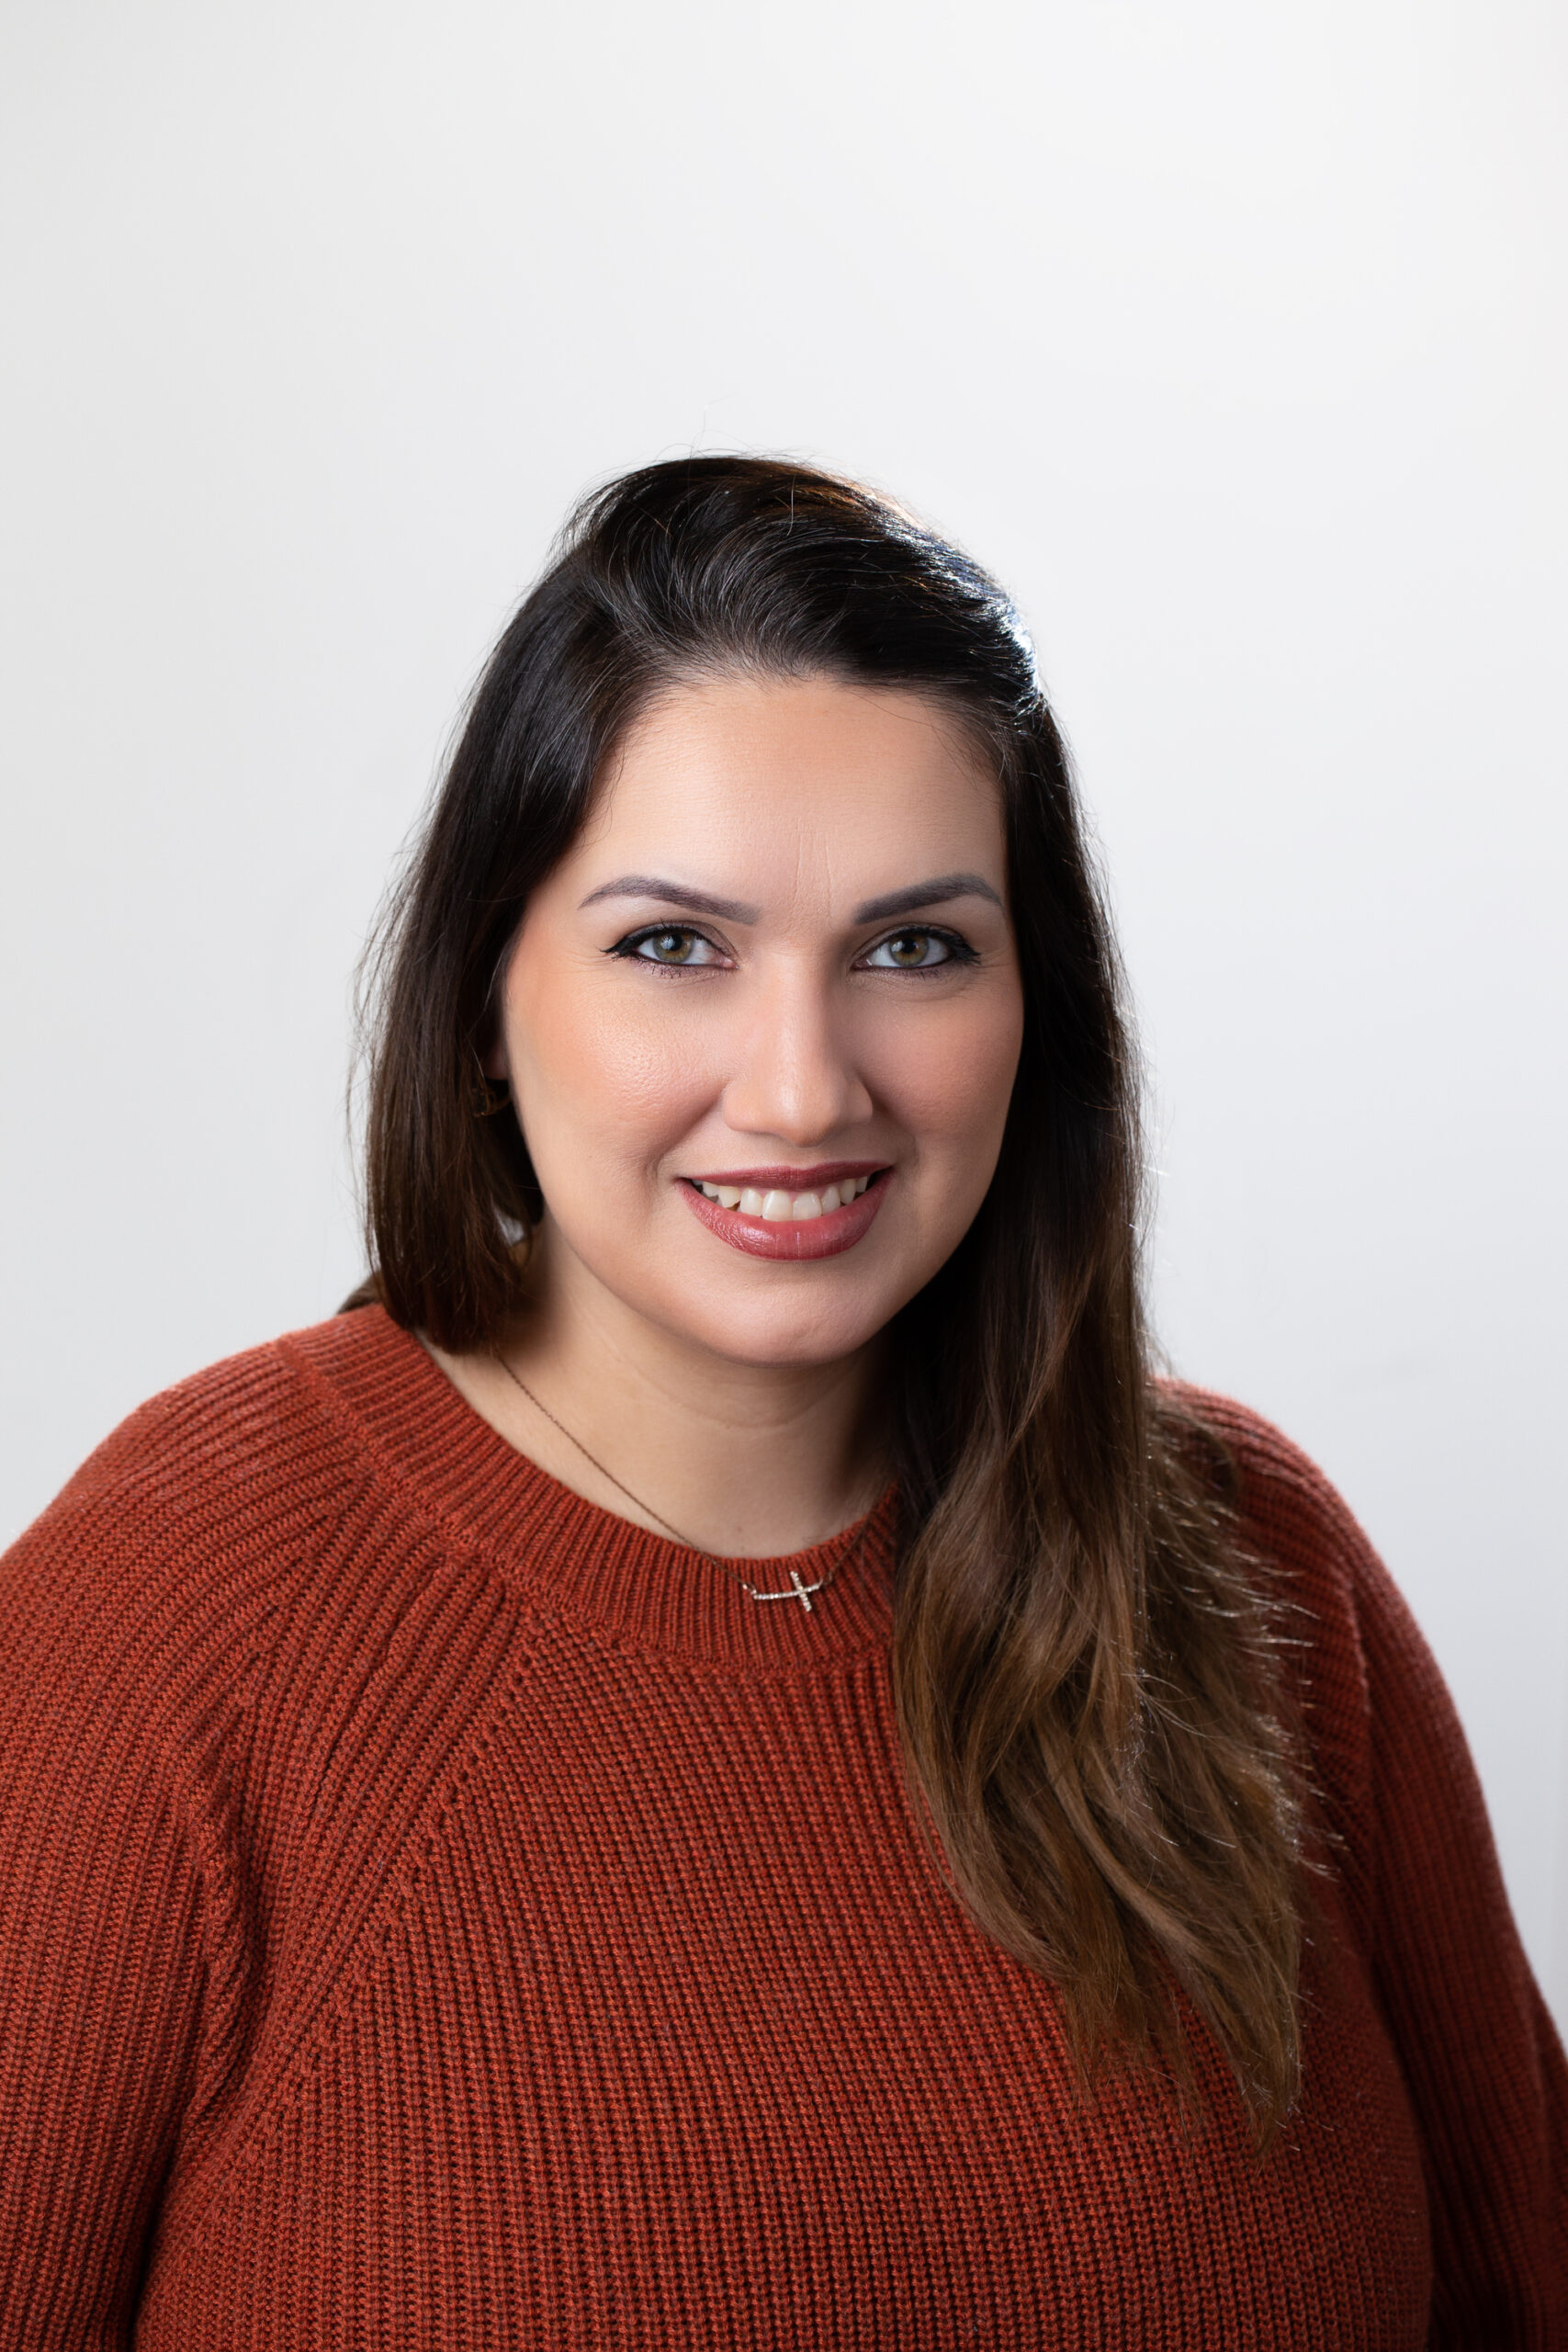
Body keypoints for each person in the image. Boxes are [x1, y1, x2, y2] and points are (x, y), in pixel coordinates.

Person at [0, 457, 1561, 2350]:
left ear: (1030, 1009)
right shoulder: (170, 1618)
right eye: (675, 944)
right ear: (491, 993)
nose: (804, 1086)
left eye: (912, 946)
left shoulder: (1251, 1571)